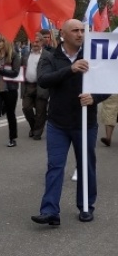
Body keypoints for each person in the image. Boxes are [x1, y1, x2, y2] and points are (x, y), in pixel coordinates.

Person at [31, 19, 109, 225]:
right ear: (63, 34)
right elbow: (44, 80)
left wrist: (94, 98)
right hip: (58, 123)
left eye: (82, 30)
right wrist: (71, 69)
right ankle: (50, 211)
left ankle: (86, 206)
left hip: (85, 123)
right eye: (75, 30)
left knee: (86, 166)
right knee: (55, 166)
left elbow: (109, 83)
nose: (80, 34)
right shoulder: (50, 57)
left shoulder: (93, 55)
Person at [21, 33, 49, 141]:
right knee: (26, 108)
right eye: (33, 41)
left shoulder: (47, 56)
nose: (35, 44)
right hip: (28, 86)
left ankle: (37, 132)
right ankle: (33, 127)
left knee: (40, 111)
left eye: (37, 41)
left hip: (41, 87)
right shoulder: (26, 55)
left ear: (41, 42)